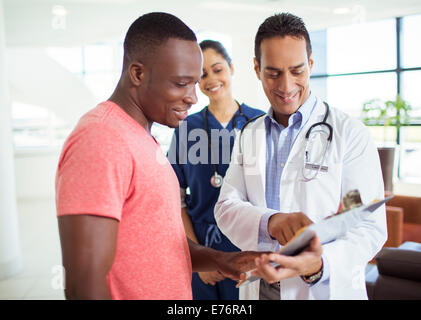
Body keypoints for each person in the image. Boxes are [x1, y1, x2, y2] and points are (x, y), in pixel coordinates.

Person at [55, 12, 263, 300]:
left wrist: (219, 260)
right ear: (138, 74)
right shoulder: (101, 139)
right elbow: (84, 283)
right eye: (181, 83)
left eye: (194, 83)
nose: (193, 96)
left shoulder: (140, 137)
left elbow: (158, 240)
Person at [214, 12, 387, 300]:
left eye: (297, 70)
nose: (285, 86)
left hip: (322, 288)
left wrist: (319, 264)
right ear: (256, 68)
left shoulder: (350, 133)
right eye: (273, 73)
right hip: (261, 289)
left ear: (311, 64)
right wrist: (272, 221)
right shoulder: (250, 134)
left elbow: (369, 226)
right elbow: (226, 207)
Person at [167, 40, 264, 300]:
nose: (211, 79)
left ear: (231, 68)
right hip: (202, 247)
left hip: (245, 249)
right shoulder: (186, 128)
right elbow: (174, 200)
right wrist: (198, 258)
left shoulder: (259, 123)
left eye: (218, 69)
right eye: (202, 75)